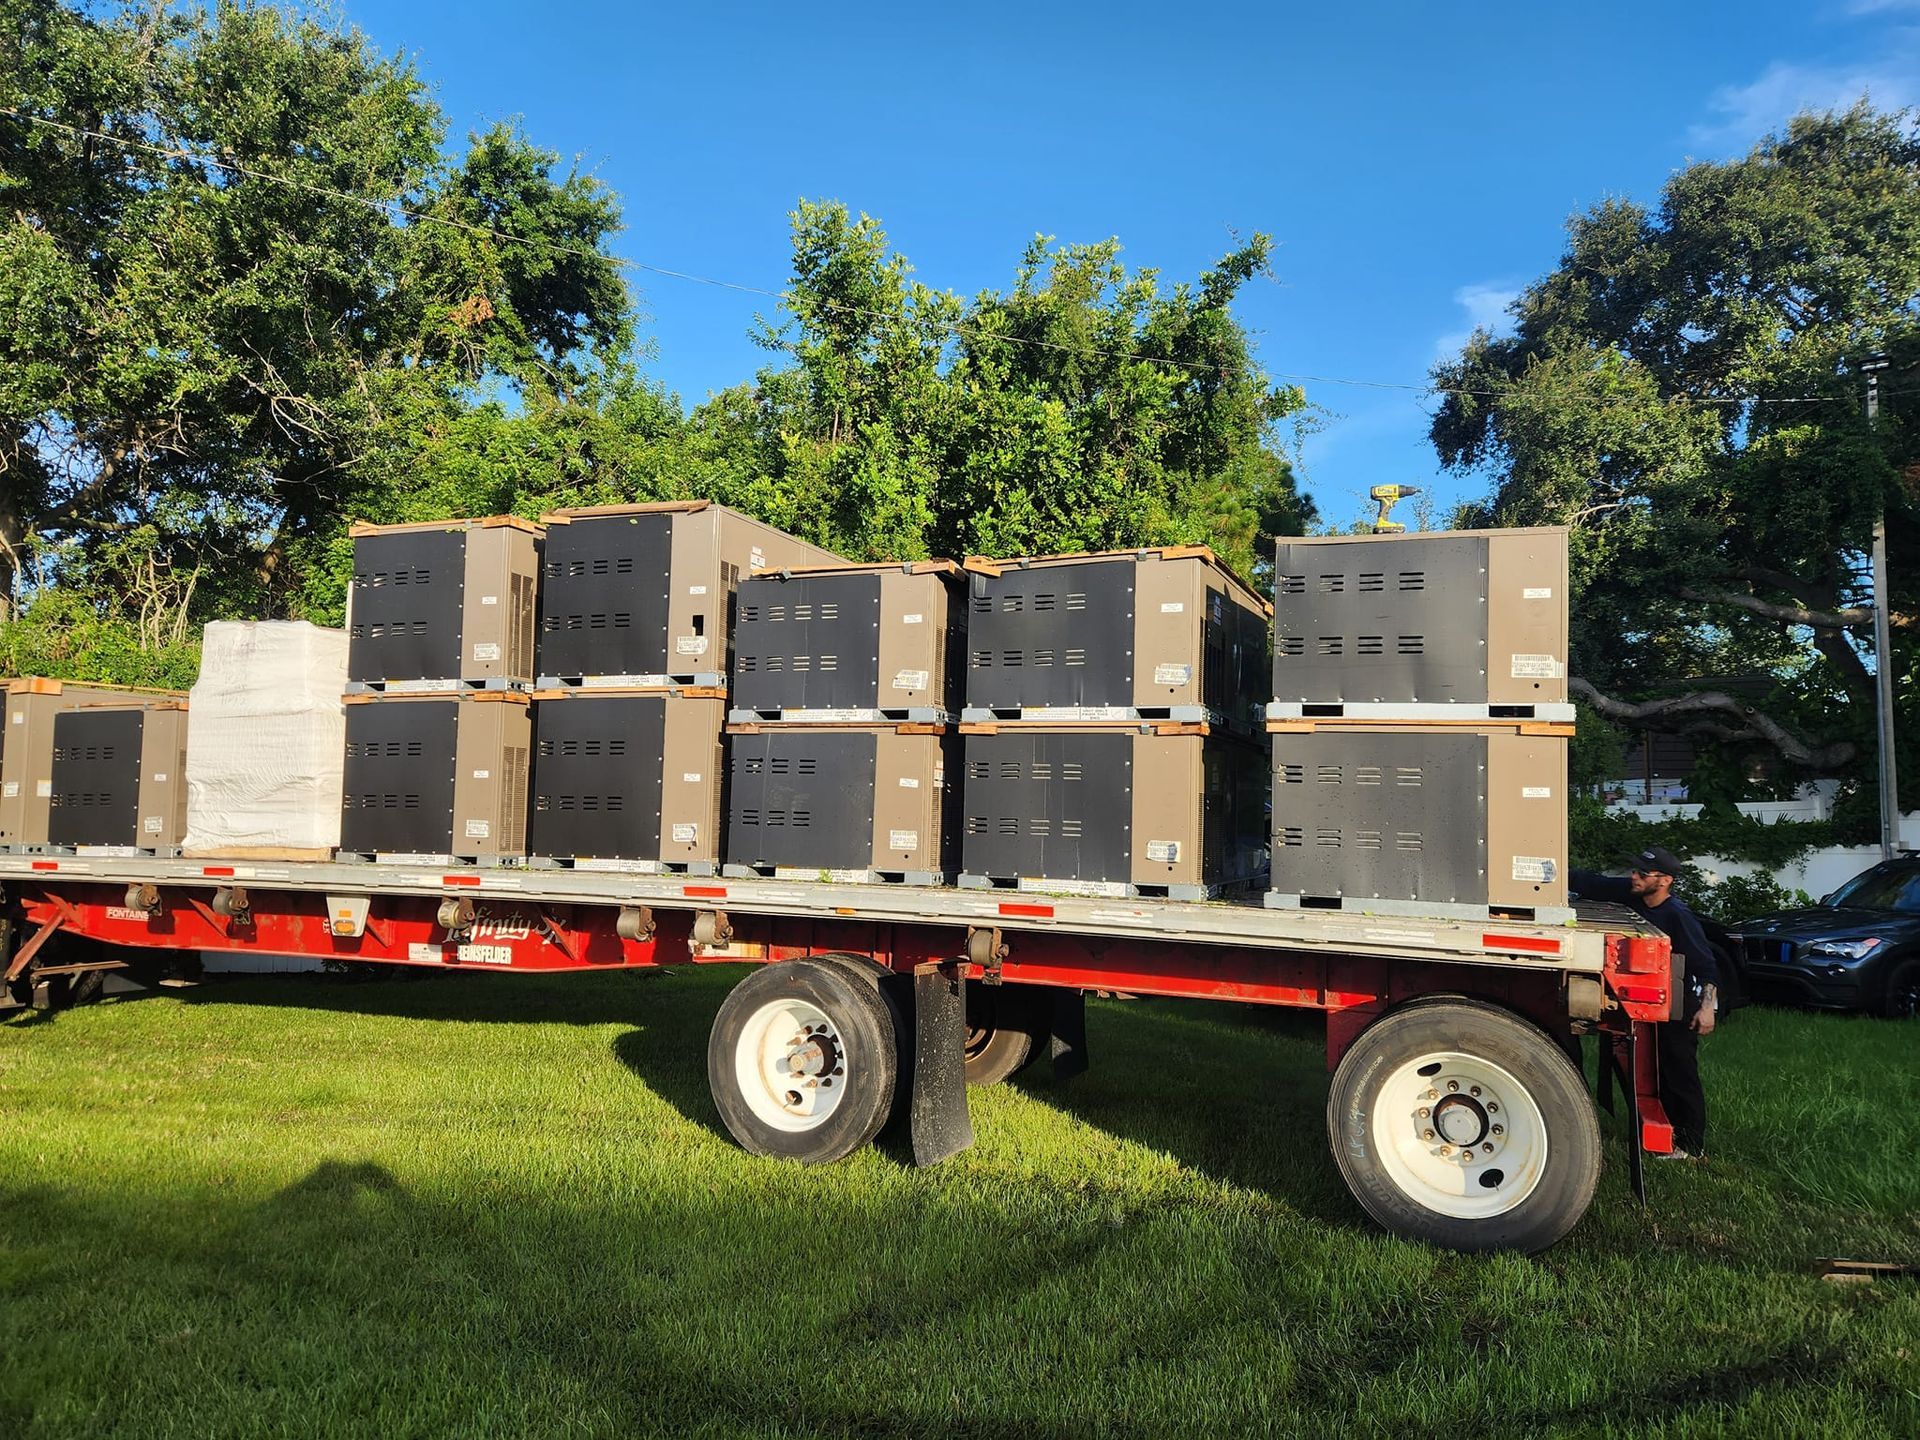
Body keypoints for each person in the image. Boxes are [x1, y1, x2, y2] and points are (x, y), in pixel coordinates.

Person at [1569, 845, 1717, 1159]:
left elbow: (1706, 966)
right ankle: (1660, 1133)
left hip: (1680, 1006)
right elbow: (1593, 883)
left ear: (1664, 881)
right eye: (1634, 870)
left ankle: (1692, 1144)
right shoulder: (1634, 895)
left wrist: (1707, 1009)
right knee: (1652, 1070)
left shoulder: (1678, 915)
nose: (1633, 877)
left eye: (1641, 873)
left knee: (1678, 1072)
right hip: (1651, 1004)